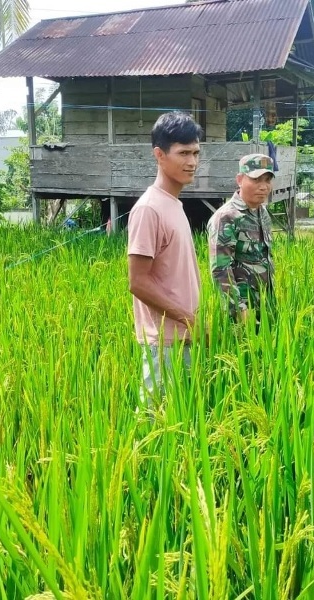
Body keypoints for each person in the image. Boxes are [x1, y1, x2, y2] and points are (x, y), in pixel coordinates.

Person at [127, 111, 203, 407]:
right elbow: (138, 282)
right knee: (157, 429)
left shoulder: (174, 204)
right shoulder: (149, 209)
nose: (192, 162)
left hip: (185, 337)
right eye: (183, 153)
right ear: (159, 155)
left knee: (183, 426)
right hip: (164, 343)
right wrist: (190, 319)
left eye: (196, 152)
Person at [207, 153, 275, 324]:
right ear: (239, 179)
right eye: (256, 180)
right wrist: (239, 310)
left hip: (265, 305)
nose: (263, 187)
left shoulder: (263, 213)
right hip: (241, 313)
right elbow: (220, 270)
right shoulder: (226, 217)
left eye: (267, 180)